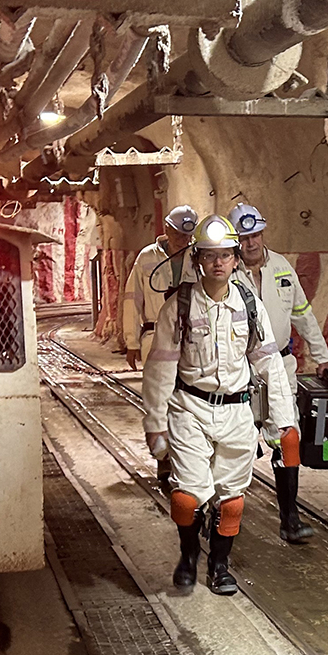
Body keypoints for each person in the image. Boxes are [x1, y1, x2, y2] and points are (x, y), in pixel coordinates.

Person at [142, 214, 299, 594]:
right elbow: (160, 368)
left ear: (234, 259)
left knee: (231, 500)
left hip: (237, 411)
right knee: (187, 495)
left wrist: (282, 419)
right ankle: (188, 555)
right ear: (197, 259)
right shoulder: (178, 307)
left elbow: (268, 364)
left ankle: (219, 564)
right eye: (210, 255)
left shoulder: (249, 305)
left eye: (225, 255)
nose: (218, 262)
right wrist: (155, 424)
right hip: (189, 409)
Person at [228, 203, 328, 544]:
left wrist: (322, 356)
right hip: (237, 367)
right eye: (244, 237)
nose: (251, 243)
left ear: (263, 234)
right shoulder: (225, 273)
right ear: (235, 241)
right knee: (232, 443)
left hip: (279, 365)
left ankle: (290, 518)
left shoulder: (283, 268)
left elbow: (303, 313)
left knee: (288, 437)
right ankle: (223, 514)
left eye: (255, 235)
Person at [123, 204, 198, 491]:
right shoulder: (146, 257)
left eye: (187, 236)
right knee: (160, 401)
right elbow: (133, 300)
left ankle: (188, 458)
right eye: (179, 234)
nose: (183, 241)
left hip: (190, 336)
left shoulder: (197, 254)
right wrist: (130, 341)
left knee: (189, 398)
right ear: (166, 230)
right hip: (155, 335)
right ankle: (164, 460)